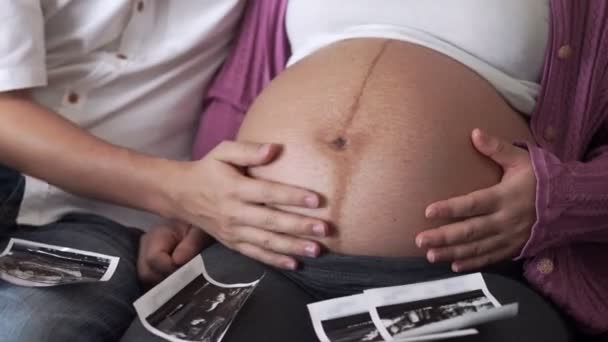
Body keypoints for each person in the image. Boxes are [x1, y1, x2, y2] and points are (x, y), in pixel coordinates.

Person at [131, 0, 608, 341]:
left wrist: (566, 196)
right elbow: (239, 93)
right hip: (259, 255)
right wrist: (194, 209)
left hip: (449, 276)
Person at [0, 1, 334, 341]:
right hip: (13, 180)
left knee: (25, 330)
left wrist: (190, 212)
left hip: (103, 220)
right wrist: (179, 193)